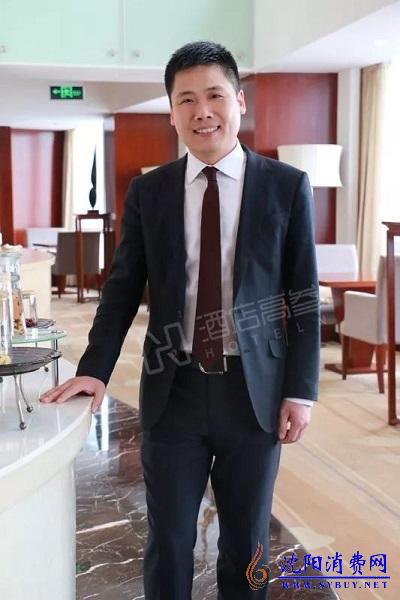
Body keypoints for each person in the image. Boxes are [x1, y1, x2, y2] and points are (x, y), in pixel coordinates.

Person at [40, 41, 320, 599]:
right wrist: (94, 368)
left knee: (246, 543)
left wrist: (301, 390)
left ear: (239, 101)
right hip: (174, 391)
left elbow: (302, 296)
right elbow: (121, 289)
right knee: (168, 540)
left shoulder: (286, 186)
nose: (202, 111)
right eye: (186, 99)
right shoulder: (151, 191)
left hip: (254, 395)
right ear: (171, 111)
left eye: (215, 95)